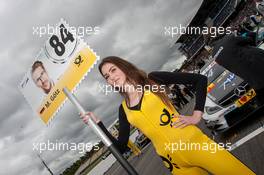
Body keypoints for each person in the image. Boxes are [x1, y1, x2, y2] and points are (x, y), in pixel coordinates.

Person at [81, 56, 255, 174]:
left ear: (123, 68)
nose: (111, 77)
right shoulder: (123, 109)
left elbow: (199, 80)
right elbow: (121, 147)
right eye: (106, 76)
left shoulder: (152, 80)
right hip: (173, 163)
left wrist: (196, 115)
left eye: (113, 70)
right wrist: (100, 125)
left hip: (195, 145)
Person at [210, 34, 264, 104]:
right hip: (259, 62)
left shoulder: (214, 56)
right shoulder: (228, 38)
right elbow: (249, 40)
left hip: (253, 79)